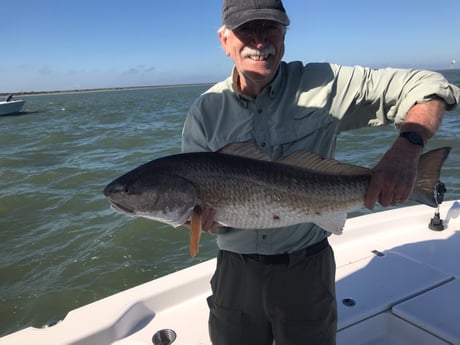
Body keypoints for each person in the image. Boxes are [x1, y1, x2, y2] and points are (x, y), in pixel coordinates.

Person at [181, 0, 460, 344]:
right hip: (235, 270)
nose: (258, 40)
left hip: (307, 267)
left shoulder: (326, 84)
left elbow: (430, 83)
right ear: (225, 41)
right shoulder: (205, 111)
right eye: (245, 30)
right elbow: (194, 205)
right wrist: (201, 219)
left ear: (284, 33)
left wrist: (408, 148)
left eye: (269, 27)